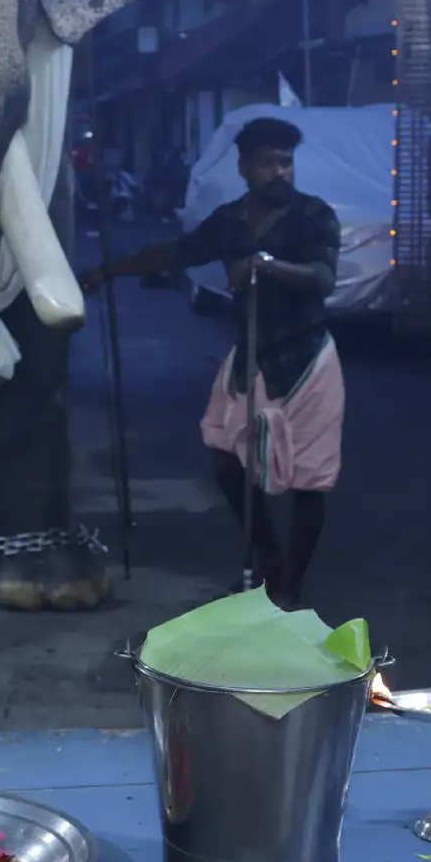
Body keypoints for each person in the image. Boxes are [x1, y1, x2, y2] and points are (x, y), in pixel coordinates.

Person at [82, 116, 343, 608]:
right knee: (227, 463)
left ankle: (289, 585)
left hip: (306, 358)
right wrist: (108, 270)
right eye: (267, 163)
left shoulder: (313, 215)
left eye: (286, 162)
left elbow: (323, 277)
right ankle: (269, 561)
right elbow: (177, 253)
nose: (279, 172)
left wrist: (266, 265)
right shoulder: (230, 220)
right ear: (244, 167)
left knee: (310, 480)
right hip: (253, 355)